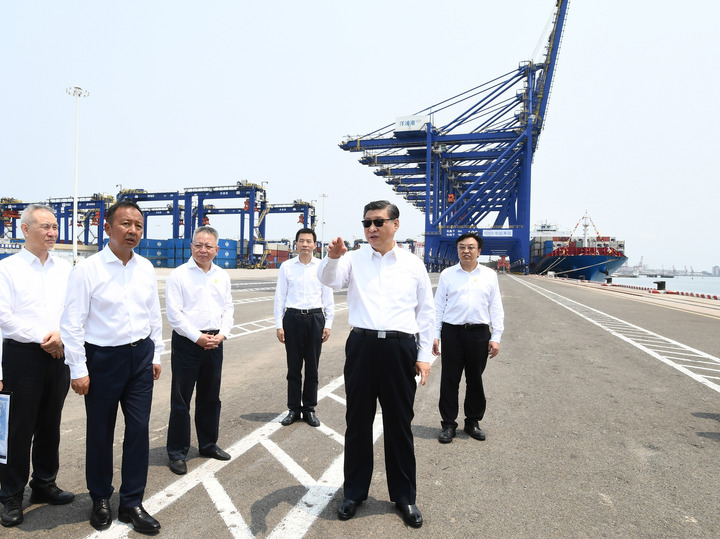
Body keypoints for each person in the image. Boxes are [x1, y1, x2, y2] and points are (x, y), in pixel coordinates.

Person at [318, 200, 434, 529]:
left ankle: (404, 497)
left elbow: (426, 313)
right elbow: (329, 280)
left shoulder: (413, 264)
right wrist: (333, 257)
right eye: (367, 223)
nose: (371, 228)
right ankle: (354, 493)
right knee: (357, 422)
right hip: (363, 346)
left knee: (399, 424)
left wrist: (425, 356)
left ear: (395, 225)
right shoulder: (353, 259)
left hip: (400, 348)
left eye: (378, 222)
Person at [60, 200, 164, 534]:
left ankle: (132, 502)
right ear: (107, 228)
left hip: (140, 357)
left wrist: (156, 355)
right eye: (125, 224)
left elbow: (153, 314)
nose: (133, 230)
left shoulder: (145, 267)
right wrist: (78, 369)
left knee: (138, 430)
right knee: (100, 432)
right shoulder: (87, 270)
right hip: (102, 360)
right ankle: (100, 498)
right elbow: (71, 324)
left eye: (138, 225)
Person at [0, 204, 74, 528]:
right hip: (23, 357)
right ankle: (10, 493)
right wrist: (45, 337)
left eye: (54, 227)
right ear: (25, 229)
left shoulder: (65, 269)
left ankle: (44, 483)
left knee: (50, 424)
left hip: (59, 355)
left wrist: (62, 337)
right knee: (18, 429)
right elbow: (4, 317)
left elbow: (74, 310)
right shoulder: (8, 269)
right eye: (45, 226)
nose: (52, 232)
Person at [165, 226, 234, 476]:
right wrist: (197, 338)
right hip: (188, 342)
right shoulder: (179, 275)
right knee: (181, 399)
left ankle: (208, 444)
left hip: (215, 341)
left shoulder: (222, 276)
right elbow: (174, 314)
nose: (203, 250)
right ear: (191, 246)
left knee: (210, 397)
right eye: (198, 245)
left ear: (217, 249)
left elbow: (228, 308)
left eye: (208, 246)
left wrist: (222, 334)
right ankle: (177, 452)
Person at [432, 232, 504, 444]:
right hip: (452, 332)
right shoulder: (447, 274)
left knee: (475, 379)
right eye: (462, 247)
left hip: (479, 333)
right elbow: (438, 306)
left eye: (471, 247)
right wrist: (434, 335)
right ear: (457, 250)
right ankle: (448, 424)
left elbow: (496, 307)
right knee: (449, 379)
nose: (466, 251)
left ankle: (472, 422)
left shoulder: (489, 275)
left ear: (479, 251)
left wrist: (496, 336)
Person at [274, 228, 334, 428]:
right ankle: (293, 409)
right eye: (301, 241)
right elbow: (280, 297)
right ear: (296, 244)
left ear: (315, 245)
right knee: (293, 367)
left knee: (312, 367)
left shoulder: (322, 266)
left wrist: (328, 324)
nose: (305, 244)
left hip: (315, 318)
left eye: (309, 241)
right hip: (292, 318)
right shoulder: (287, 267)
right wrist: (279, 325)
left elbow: (328, 297)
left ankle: (309, 409)